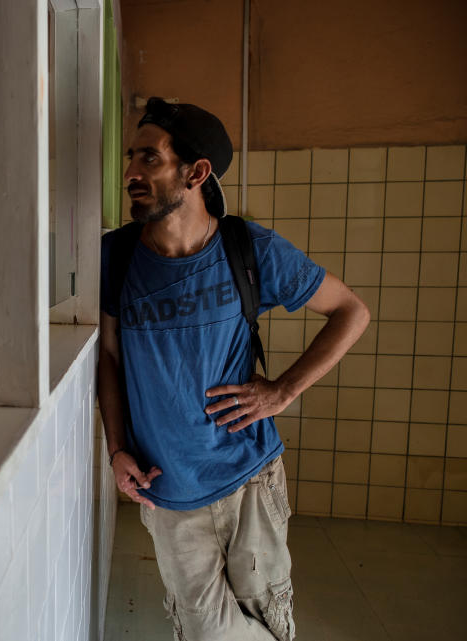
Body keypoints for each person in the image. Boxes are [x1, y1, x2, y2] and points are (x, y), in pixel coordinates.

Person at [97, 97, 370, 640]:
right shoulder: (116, 256)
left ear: (196, 173)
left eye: (149, 158)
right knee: (205, 632)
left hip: (249, 477)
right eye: (131, 158)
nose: (130, 172)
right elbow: (109, 356)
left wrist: (283, 390)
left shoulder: (250, 249)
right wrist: (116, 447)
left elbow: (351, 311)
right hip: (167, 488)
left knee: (269, 614)